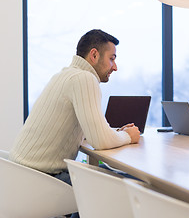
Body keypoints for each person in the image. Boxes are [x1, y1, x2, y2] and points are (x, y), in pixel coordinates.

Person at [9, 29, 140, 184]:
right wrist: (128, 136)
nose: (115, 67)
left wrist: (115, 133)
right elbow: (100, 141)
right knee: (132, 183)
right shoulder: (84, 78)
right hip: (40, 180)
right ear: (94, 55)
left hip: (20, 176)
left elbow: (91, 133)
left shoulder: (64, 75)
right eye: (112, 59)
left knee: (117, 180)